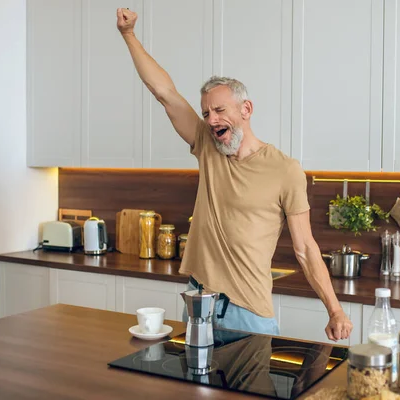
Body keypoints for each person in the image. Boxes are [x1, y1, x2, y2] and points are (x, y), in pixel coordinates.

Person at [116, 8, 353, 342]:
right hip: (199, 303)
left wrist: (335, 309)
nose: (211, 120)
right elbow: (164, 93)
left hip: (249, 315)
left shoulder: (286, 169)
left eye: (219, 110)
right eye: (206, 113)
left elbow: (305, 249)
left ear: (245, 110)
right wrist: (128, 35)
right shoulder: (208, 146)